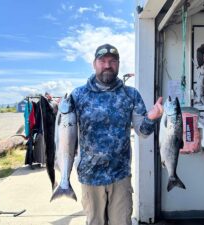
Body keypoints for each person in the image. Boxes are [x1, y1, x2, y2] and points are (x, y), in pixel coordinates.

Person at [70, 43, 163, 225]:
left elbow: (142, 132)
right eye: (102, 61)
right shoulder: (78, 95)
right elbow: (65, 132)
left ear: (118, 64)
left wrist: (151, 118)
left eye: (112, 61)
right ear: (94, 64)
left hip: (120, 176)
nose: (107, 65)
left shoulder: (130, 95)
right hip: (90, 176)